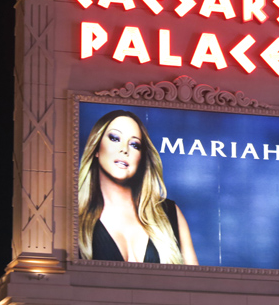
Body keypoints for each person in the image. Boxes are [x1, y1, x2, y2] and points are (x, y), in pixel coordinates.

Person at [78, 110, 198, 264]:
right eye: (114, 138)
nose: (124, 149)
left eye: (134, 144)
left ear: (141, 157)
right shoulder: (74, 215)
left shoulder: (169, 212)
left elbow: (196, 277)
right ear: (96, 149)